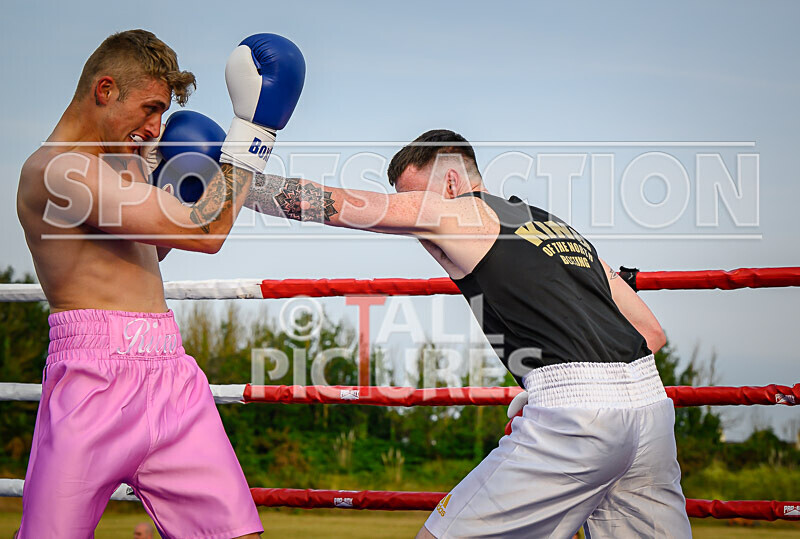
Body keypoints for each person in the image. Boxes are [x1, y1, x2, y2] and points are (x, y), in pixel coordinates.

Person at [243, 130, 691, 537]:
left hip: (577, 417)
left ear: (452, 182)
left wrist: (224, 179)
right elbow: (649, 331)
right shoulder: (559, 228)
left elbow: (331, 204)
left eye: (414, 202)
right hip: (649, 408)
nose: (413, 222)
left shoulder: (460, 213)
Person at [16, 29, 303, 538]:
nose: (155, 128)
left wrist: (167, 176)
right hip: (92, 384)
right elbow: (206, 230)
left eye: (162, 113)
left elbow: (152, 254)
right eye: (149, 109)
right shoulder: (56, 172)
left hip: (170, 374)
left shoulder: (123, 163)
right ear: (105, 90)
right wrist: (255, 131)